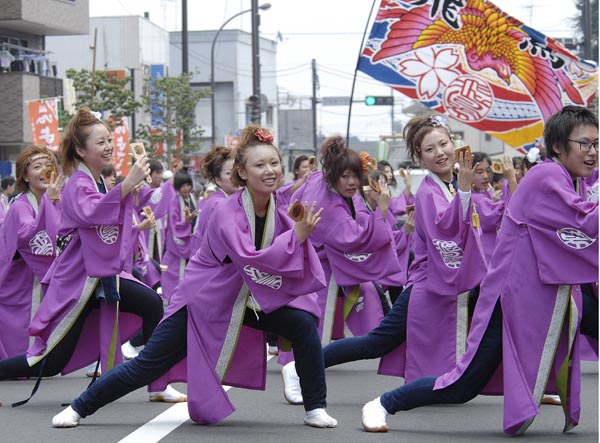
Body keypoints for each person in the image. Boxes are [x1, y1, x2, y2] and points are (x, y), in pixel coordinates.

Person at [51, 124, 338, 429]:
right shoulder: (226, 211)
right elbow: (252, 258)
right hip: (204, 299)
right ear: (241, 173)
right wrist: (298, 236)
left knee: (304, 326)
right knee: (148, 365)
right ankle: (79, 407)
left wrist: (303, 227)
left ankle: (315, 407)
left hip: (245, 297)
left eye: (274, 163)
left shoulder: (279, 207)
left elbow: (289, 244)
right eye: (259, 165)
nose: (270, 171)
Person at [360, 105, 599, 436]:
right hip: (506, 296)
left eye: (596, 144)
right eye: (585, 143)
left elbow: (493, 216)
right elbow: (585, 222)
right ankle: (384, 402)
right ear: (559, 146)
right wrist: (466, 194)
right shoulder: (546, 176)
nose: (592, 152)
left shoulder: (567, 178)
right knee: (463, 383)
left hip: (542, 292)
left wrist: (476, 192)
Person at [0, 109, 180, 404]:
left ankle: (157, 383)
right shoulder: (76, 184)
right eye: (101, 142)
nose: (109, 146)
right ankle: (156, 382)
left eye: (110, 140)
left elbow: (108, 217)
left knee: (150, 305)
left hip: (96, 275)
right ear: (81, 150)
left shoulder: (93, 182)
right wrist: (124, 186)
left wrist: (128, 189)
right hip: (78, 282)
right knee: (50, 361)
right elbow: (93, 213)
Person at [279, 136, 404, 405]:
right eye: (345, 176)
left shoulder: (319, 181)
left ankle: (301, 370)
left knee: (323, 320)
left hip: (315, 261)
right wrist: (380, 211)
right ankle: (299, 371)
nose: (352, 183)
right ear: (333, 174)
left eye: (355, 176)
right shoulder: (329, 203)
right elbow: (354, 238)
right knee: (315, 322)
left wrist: (371, 208)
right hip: (320, 266)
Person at [0, 146, 63, 359]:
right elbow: (30, 236)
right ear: (25, 176)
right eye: (37, 167)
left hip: (36, 278)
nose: (44, 170)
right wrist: (49, 202)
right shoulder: (20, 206)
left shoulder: (54, 200)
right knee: (22, 329)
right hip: (18, 281)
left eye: (48, 165)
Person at [189, 145, 239, 253]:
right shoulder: (218, 204)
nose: (236, 176)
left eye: (238, 171)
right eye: (229, 173)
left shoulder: (225, 199)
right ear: (218, 180)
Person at [160, 170, 199, 300]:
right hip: (179, 243)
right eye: (183, 186)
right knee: (175, 270)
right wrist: (187, 221)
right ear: (177, 187)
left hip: (192, 240)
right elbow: (174, 224)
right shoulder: (174, 202)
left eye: (188, 185)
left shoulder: (192, 198)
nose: (186, 188)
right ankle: (175, 296)